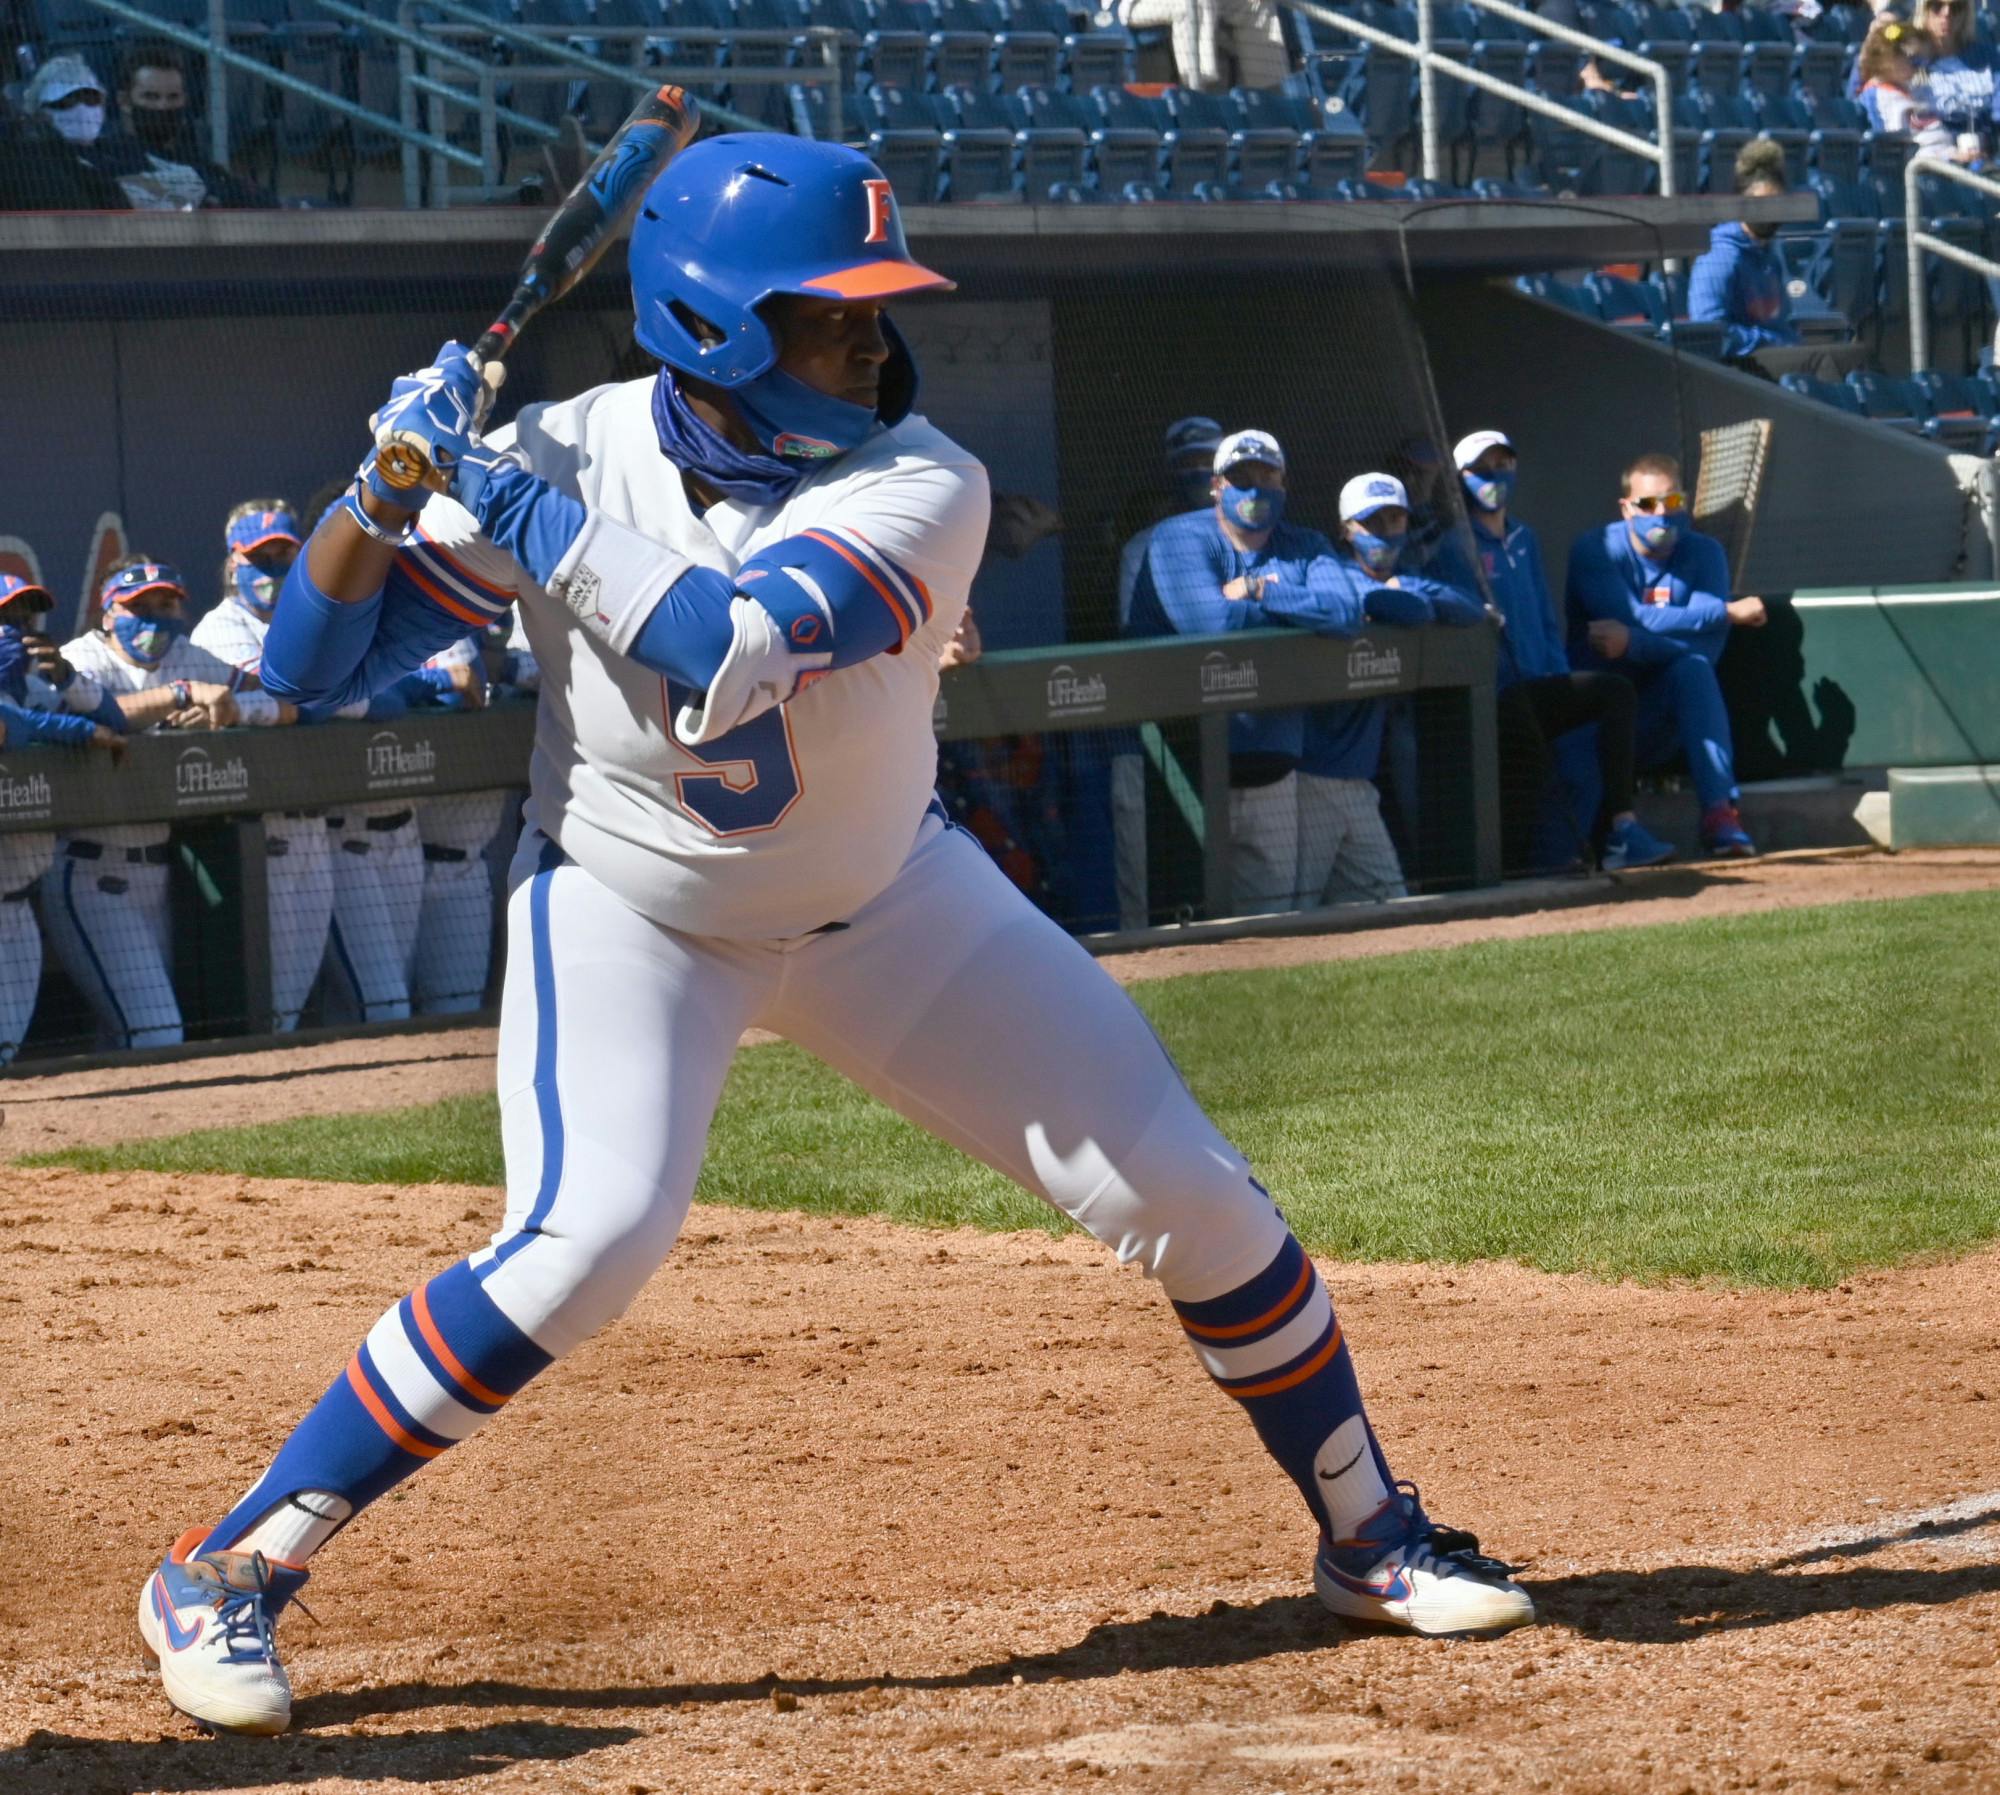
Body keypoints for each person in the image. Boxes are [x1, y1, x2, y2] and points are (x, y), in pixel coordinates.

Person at [135, 131, 1533, 1740]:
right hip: (631, 905)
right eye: (834, 314)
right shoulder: (571, 447)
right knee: (587, 1240)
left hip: (895, 905)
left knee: (1199, 1202)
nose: (874, 340)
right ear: (715, 327)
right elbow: (312, 667)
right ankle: (224, 1564)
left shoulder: (922, 477)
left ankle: (1370, 1532)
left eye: (876, 311)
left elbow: (730, 648)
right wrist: (375, 491)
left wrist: (504, 493)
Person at [44, 560, 293, 1051]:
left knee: (132, 1031)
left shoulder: (187, 655)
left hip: (157, 872)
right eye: (139, 607)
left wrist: (232, 709)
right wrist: (179, 696)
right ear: (109, 612)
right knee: (155, 1029)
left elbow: (287, 705)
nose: (154, 618)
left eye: (164, 604)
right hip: (90, 868)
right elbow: (105, 714)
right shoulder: (82, 659)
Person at [1433, 431, 1676, 874]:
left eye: (1503, 465)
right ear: (1461, 478)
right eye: (1483, 469)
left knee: (1606, 708)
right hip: (1496, 696)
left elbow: (1546, 620)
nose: (1495, 476)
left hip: (1541, 686)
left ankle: (1615, 835)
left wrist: (1560, 679)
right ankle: (1561, 856)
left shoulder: (1526, 538)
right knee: (1575, 726)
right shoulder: (1455, 546)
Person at [1293, 472, 1489, 907]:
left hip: (1356, 780)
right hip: (1311, 777)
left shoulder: (1406, 575)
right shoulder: (1333, 575)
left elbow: (1470, 608)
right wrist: (1409, 596)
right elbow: (1399, 606)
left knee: (1390, 907)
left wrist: (1413, 591)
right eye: (1372, 522)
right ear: (1347, 530)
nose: (1384, 533)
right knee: (1284, 915)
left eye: (1394, 520)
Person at [1565, 451, 1763, 859]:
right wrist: (1725, 611)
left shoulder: (1704, 553)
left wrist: (1634, 640)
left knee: (1692, 669)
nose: (1661, 514)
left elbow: (1704, 650)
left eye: (1672, 502)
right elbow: (1628, 615)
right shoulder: (1597, 549)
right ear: (1626, 509)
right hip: (1594, 726)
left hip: (1661, 721)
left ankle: (1719, 814)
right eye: (1648, 504)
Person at [0, 572, 125, 1063]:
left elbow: (112, 720)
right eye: (5, 617)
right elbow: (12, 725)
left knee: (7, 1045)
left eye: (25, 616)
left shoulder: (33, 687)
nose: (18, 628)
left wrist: (66, 678)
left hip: (21, 905)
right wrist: (76, 731)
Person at [1107, 414, 1225, 928]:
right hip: (1151, 728)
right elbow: (1139, 644)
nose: (1198, 473)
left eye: (1208, 462)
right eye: (1188, 464)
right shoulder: (1146, 545)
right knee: (1148, 863)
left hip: (1220, 728)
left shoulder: (1249, 542)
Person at [1687, 143, 1865, 382]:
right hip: (1739, 363)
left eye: (1775, 202)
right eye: (1760, 203)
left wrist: (1785, 342)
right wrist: (1769, 340)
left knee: (1855, 355)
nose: (1768, 212)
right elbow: (1709, 330)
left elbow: (1779, 321)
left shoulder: (1769, 256)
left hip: (1774, 350)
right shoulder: (1720, 257)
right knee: (1822, 362)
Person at [104, 38, 272, 210]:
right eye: (151, 97)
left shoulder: (200, 166)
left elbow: (262, 202)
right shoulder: (106, 157)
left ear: (185, 99)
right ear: (124, 101)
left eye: (173, 97)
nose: (163, 106)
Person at [0, 55, 130, 211]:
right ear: (40, 111)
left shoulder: (126, 151)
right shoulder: (36, 168)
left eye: (90, 99)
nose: (82, 109)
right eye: (66, 102)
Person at [1112, 0, 1289, 92]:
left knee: (1256, 4)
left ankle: (1268, 98)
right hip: (1131, 4)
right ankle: (1198, 91)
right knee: (1194, 3)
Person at [1857, 15, 1966, 155]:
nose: (1918, 67)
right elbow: (1900, 146)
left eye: (1922, 62)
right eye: (1914, 60)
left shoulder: (1912, 90)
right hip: (1925, 166)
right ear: (1889, 59)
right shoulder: (1879, 96)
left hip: (1948, 156)